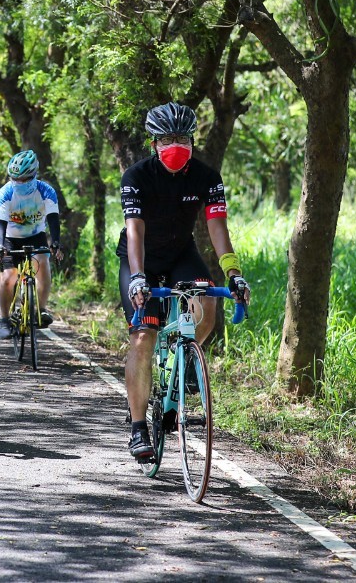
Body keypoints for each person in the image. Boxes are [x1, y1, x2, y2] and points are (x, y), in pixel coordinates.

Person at [117, 102, 251, 463]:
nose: (174, 145)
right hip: (141, 257)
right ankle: (138, 428)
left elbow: (217, 228)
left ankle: (186, 360)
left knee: (208, 302)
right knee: (144, 336)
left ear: (192, 140)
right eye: (166, 139)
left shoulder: (207, 177)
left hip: (181, 254)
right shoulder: (137, 176)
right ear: (154, 142)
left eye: (181, 138)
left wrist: (234, 273)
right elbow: (135, 232)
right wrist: (139, 277)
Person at [0, 149, 63, 338]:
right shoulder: (6, 192)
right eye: (15, 179)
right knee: (9, 277)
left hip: (35, 235)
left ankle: (39, 309)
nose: (19, 183)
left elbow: (54, 219)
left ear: (34, 175)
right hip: (9, 236)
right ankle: (4, 319)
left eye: (24, 179)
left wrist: (55, 242)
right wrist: (0, 245)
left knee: (43, 268)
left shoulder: (46, 191)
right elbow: (0, 223)